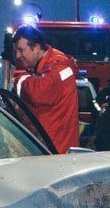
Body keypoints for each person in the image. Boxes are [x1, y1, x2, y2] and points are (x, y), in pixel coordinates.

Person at [11, 25, 80, 153]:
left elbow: (38, 93)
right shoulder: (42, 69)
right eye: (16, 51)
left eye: (21, 50)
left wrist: (20, 79)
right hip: (46, 148)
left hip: (56, 151)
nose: (18, 55)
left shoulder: (60, 67)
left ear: (37, 48)